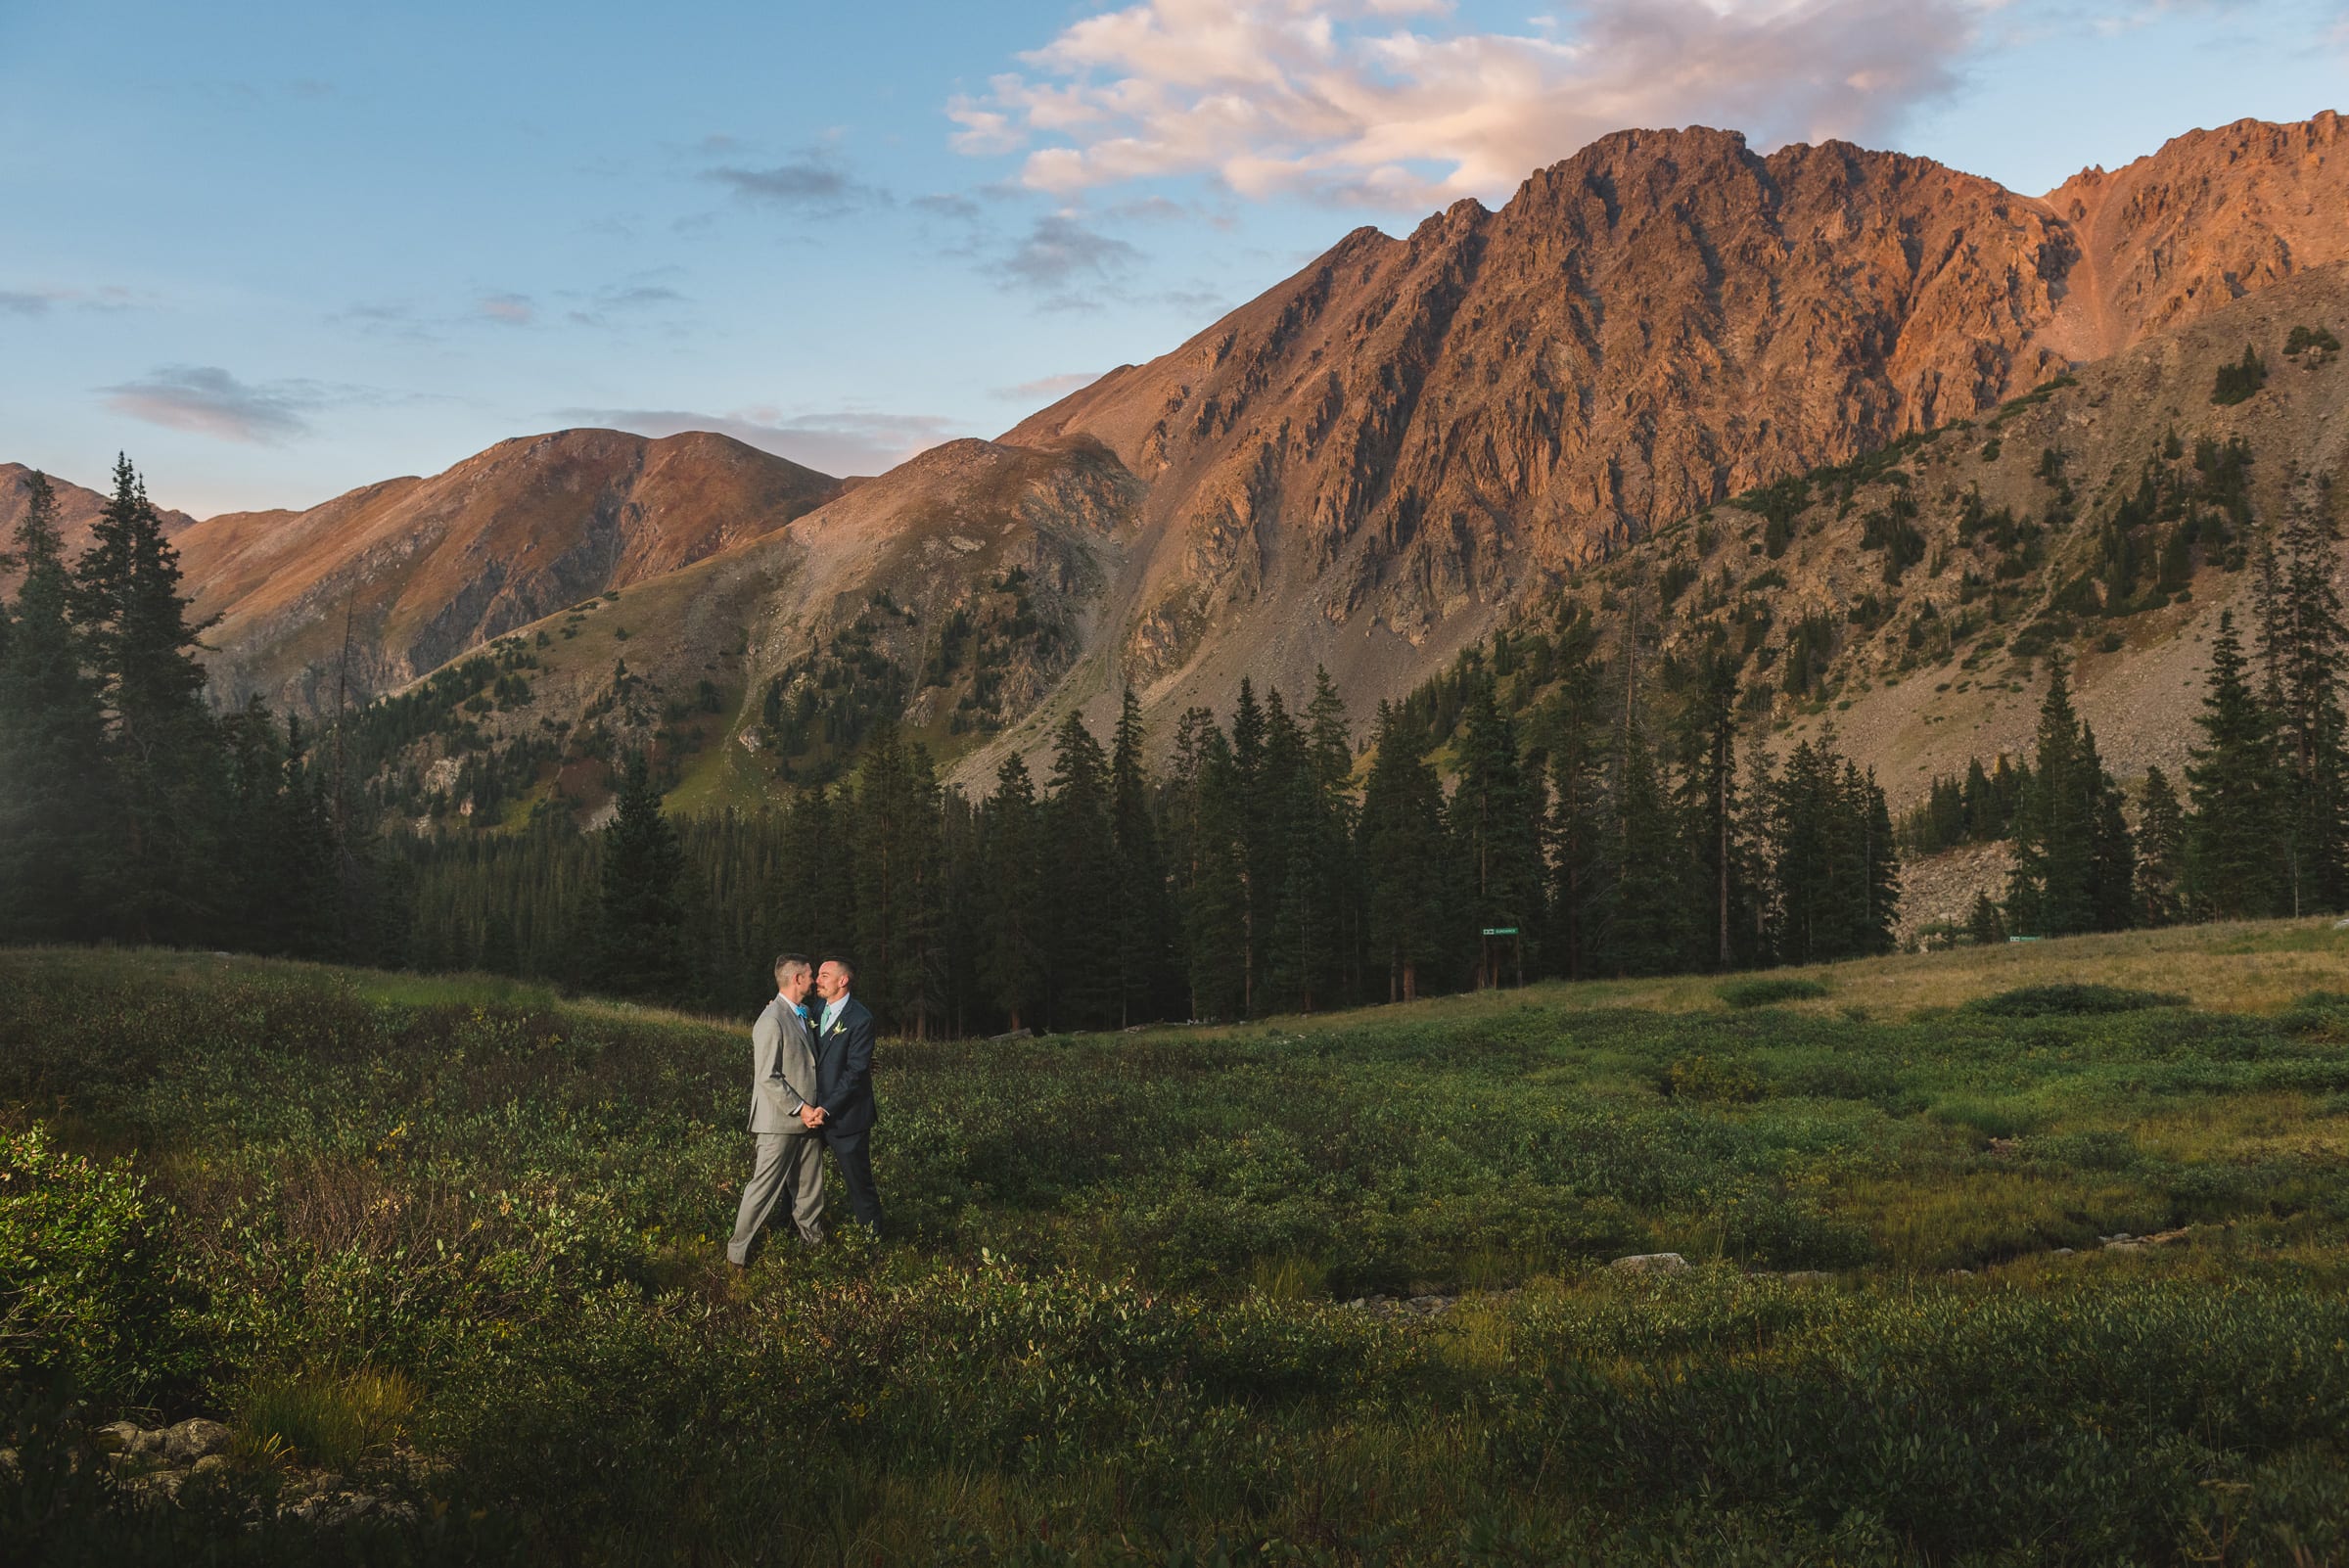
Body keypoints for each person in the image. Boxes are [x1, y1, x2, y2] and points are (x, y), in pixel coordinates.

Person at [725, 954, 826, 1267]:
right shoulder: (770, 1020)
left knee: (810, 1189)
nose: (814, 980)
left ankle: (814, 1248)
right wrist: (801, 1108)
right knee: (763, 1189)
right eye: (810, 975)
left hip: (809, 1122)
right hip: (780, 1121)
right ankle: (736, 1255)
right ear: (796, 979)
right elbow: (767, 1076)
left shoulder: (803, 1012)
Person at [803, 956, 884, 1236]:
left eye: (824, 975)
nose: (817, 980)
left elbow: (855, 1071)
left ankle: (872, 1245)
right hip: (812, 1115)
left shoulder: (861, 1019)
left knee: (859, 1185)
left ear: (843, 981)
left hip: (848, 1117)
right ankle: (787, 1232)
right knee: (798, 1178)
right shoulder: (813, 1011)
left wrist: (826, 1107)